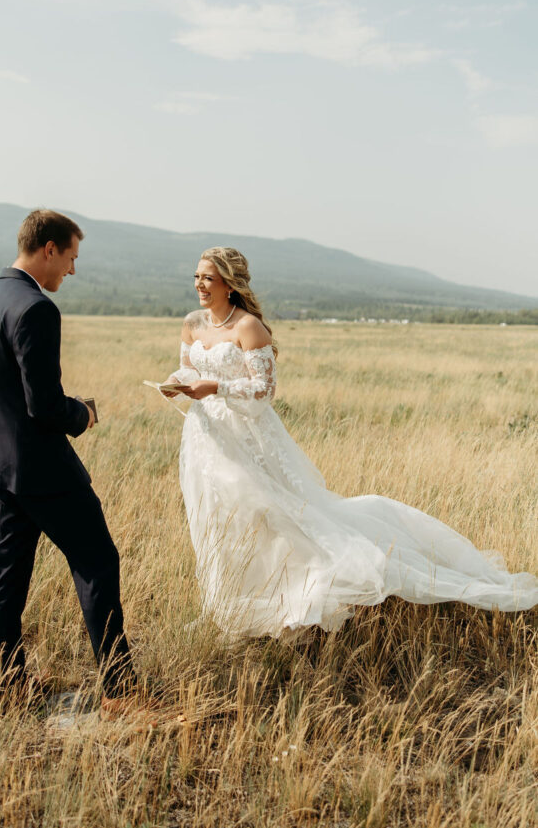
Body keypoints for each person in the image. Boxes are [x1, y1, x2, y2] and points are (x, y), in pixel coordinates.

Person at [161, 246, 538, 637]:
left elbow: (264, 391)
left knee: (267, 515)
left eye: (207, 277)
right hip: (205, 437)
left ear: (229, 282)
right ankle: (227, 605)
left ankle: (287, 598)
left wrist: (217, 387)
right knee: (213, 518)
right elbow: (187, 369)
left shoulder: (249, 327)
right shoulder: (192, 323)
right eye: (196, 276)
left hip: (247, 438)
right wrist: (176, 384)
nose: (199, 285)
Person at [0, 209, 137, 713]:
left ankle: (6, 685)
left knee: (9, 572)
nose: (72, 272)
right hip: (44, 469)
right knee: (98, 562)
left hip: (1, 464)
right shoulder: (36, 309)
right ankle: (121, 693)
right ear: (49, 249)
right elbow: (45, 406)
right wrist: (83, 413)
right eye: (71, 259)